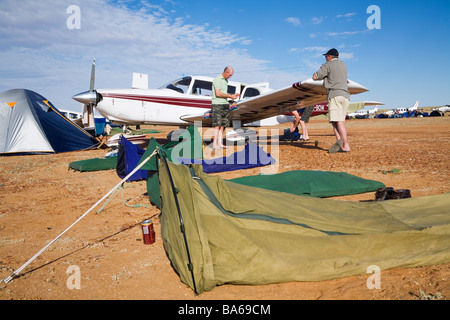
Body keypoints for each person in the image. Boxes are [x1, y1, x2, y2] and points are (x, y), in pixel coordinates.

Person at [313, 48, 351, 153]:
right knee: (336, 121)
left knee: (338, 121)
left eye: (326, 57)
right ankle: (339, 142)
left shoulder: (328, 64)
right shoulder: (343, 64)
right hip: (345, 96)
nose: (325, 58)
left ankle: (345, 145)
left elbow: (315, 76)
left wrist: (324, 73)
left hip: (335, 95)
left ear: (329, 57)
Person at [211, 66, 240, 150]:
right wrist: (230, 96)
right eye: (230, 75)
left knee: (223, 125)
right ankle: (214, 144)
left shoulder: (226, 81)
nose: (230, 77)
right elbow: (218, 94)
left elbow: (224, 93)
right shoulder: (217, 80)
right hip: (217, 104)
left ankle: (220, 144)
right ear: (226, 72)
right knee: (217, 125)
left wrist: (232, 96)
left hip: (224, 104)